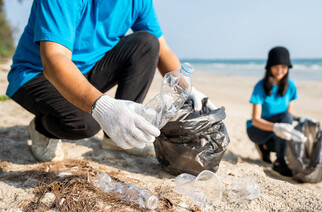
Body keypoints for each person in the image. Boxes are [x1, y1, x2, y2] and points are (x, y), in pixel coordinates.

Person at [6, 0, 215, 162]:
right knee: (84, 124)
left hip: (85, 71)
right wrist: (103, 107)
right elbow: (54, 60)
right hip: (36, 74)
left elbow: (163, 49)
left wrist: (188, 90)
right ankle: (42, 129)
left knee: (147, 43)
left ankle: (116, 137)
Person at [246, 46, 299, 177]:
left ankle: (266, 149)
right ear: (269, 67)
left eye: (284, 66)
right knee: (285, 124)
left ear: (288, 67)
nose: (280, 70)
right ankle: (279, 163)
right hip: (257, 130)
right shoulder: (260, 86)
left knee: (289, 134)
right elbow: (255, 120)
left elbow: (289, 114)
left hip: (277, 131)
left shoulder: (291, 86)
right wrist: (275, 127)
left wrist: (303, 119)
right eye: (276, 66)